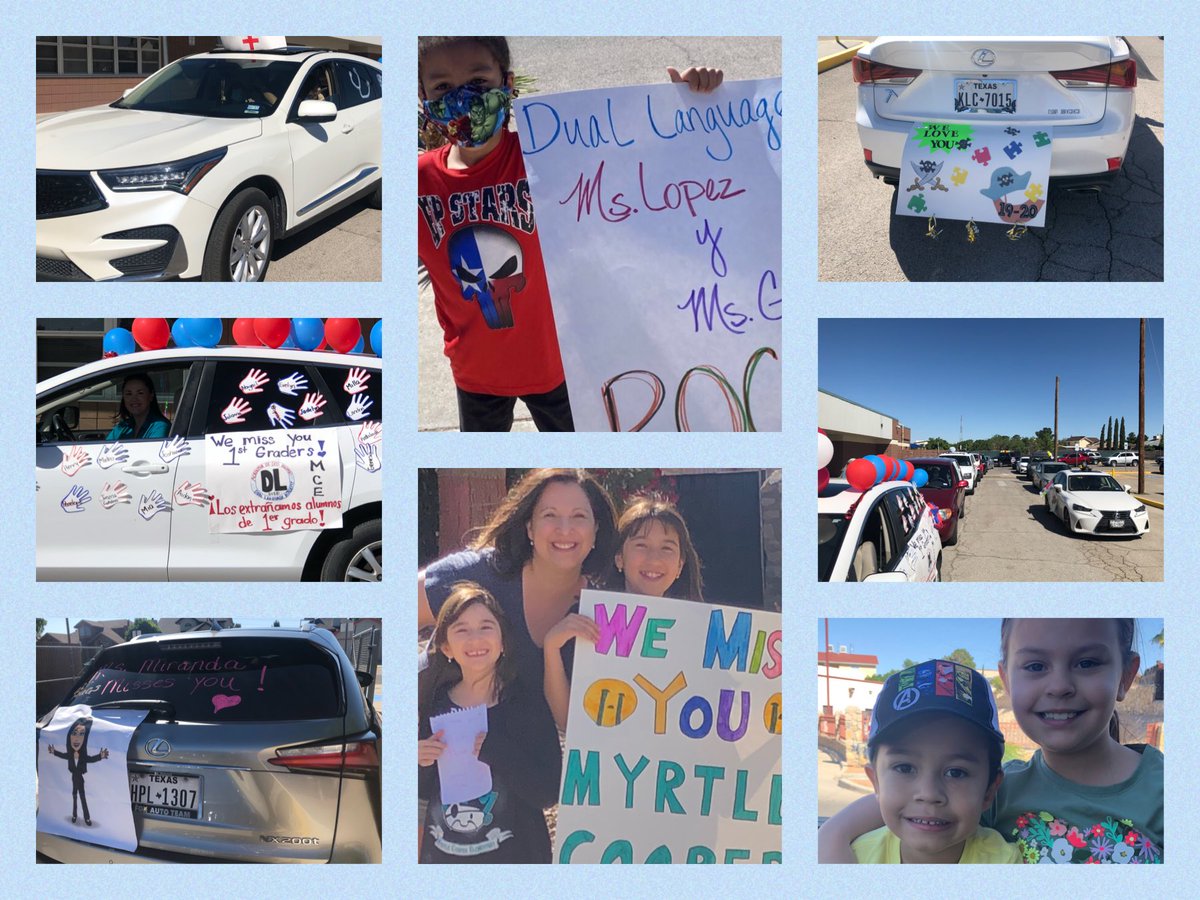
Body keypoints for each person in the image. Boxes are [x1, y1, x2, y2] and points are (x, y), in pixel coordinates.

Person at [417, 36, 723, 431]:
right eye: (442, 87)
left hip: (560, 369)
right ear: (423, 96)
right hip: (476, 376)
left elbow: (647, 170)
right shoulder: (417, 184)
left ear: (507, 83)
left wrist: (693, 108)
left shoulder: (549, 154)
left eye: (477, 80)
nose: (461, 98)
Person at [818, 618, 1163, 864]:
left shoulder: (1169, 790)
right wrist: (829, 839)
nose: (1059, 685)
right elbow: (898, 797)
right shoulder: (1000, 789)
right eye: (1035, 665)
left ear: (1126, 676)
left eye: (1087, 663)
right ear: (1007, 680)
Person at [418, 582, 561, 863]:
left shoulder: (527, 705)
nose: (475, 638)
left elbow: (548, 793)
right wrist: (418, 760)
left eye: (486, 626)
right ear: (446, 647)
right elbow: (418, 798)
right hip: (445, 863)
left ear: (503, 641)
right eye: (461, 629)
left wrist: (497, 750)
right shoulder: (431, 706)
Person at [542, 495, 705, 730]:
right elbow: (567, 721)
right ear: (620, 558)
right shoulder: (587, 619)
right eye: (641, 545)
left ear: (680, 565)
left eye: (667, 548)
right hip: (607, 764)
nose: (654, 558)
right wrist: (552, 647)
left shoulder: (703, 633)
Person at [852, 659, 1019, 863]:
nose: (929, 794)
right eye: (905, 768)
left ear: (990, 790)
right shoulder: (852, 858)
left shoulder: (1004, 863)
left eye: (956, 772)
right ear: (875, 781)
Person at [47, 717, 109, 826]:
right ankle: (74, 815)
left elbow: (91, 759)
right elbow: (63, 755)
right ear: (69, 735)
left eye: (81, 734)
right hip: (73, 779)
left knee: (82, 797)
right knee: (74, 797)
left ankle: (87, 818)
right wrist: (53, 752)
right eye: (74, 733)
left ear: (85, 738)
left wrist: (101, 756)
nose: (76, 738)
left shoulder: (83, 756)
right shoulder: (70, 755)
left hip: (80, 780)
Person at [105, 373, 170, 440]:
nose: (134, 399)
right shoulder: (123, 426)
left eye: (140, 393)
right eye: (129, 394)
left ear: (151, 395)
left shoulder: (160, 426)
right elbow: (106, 447)